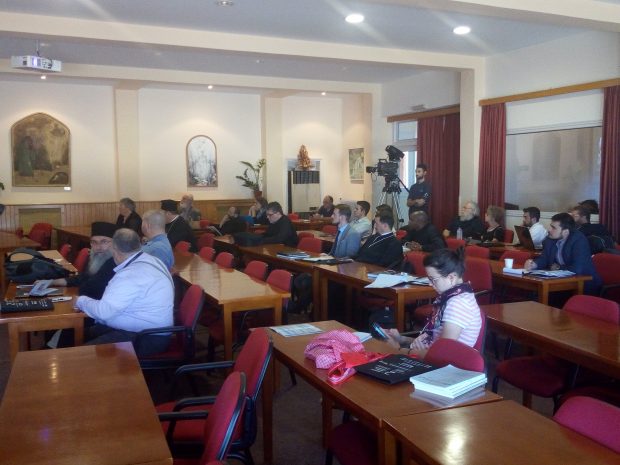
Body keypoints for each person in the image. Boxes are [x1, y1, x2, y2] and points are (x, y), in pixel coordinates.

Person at [75, 228, 174, 356]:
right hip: (146, 330)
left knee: (82, 355)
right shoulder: (152, 260)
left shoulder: (129, 274)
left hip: (146, 338)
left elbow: (103, 312)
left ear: (114, 249)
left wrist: (79, 301)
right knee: (76, 333)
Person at [383, 248, 482, 358]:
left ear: (451, 278)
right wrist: (401, 339)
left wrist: (398, 350)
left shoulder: (457, 304)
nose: (430, 284)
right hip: (430, 356)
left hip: (443, 365)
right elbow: (432, 342)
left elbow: (442, 355)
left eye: (433, 279)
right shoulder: (456, 295)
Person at [524, 213, 602, 295]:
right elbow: (544, 258)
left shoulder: (579, 240)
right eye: (551, 226)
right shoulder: (550, 239)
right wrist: (534, 264)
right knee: (534, 292)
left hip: (584, 285)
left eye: (554, 228)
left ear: (565, 232)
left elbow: (578, 268)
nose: (549, 230)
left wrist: (559, 267)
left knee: (541, 295)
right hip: (560, 282)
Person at [50, 221, 117, 299]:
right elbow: (83, 278)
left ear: (115, 243)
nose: (98, 247)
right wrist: (53, 282)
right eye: (94, 242)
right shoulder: (95, 258)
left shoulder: (115, 264)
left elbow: (91, 290)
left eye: (104, 242)